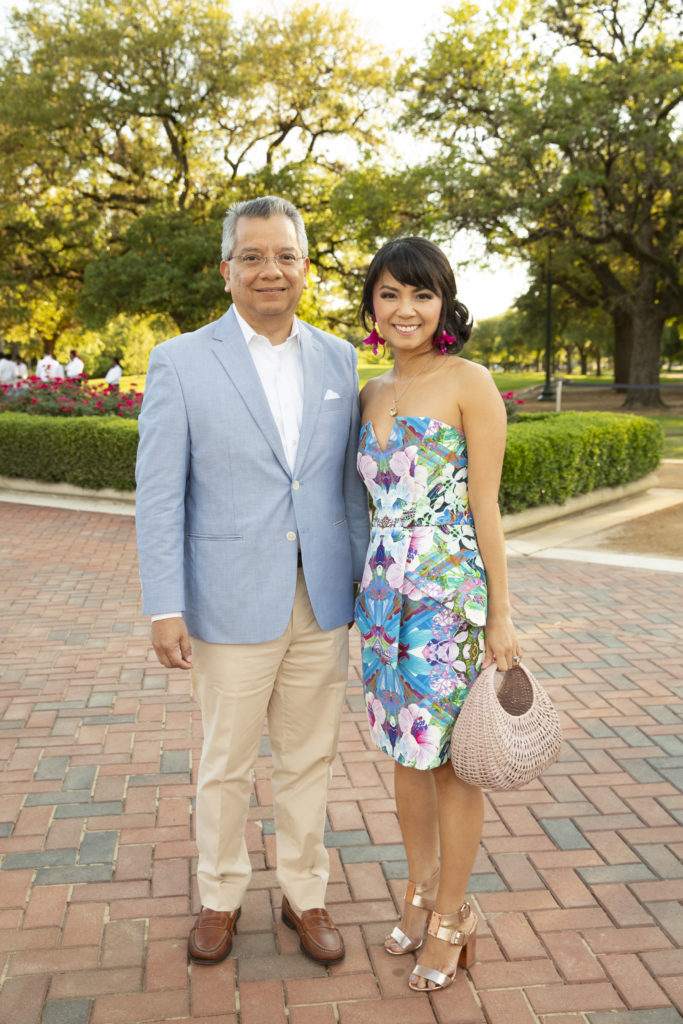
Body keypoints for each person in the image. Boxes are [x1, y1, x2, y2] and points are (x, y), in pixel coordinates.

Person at [135, 195, 369, 968]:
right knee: (225, 760)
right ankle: (219, 896)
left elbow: (345, 487)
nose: (270, 270)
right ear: (227, 268)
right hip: (228, 598)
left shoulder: (339, 358)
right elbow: (161, 492)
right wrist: (164, 604)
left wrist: (365, 588)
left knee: (308, 758)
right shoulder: (179, 359)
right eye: (253, 256)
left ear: (305, 265)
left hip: (321, 598)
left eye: (285, 256)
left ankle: (305, 892)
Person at [354, 236, 521, 992]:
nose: (405, 309)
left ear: (442, 304)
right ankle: (419, 889)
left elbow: (486, 505)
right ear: (371, 308)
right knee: (403, 753)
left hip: (446, 597)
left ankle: (454, 915)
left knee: (452, 763)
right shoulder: (369, 393)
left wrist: (501, 616)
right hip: (381, 598)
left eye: (420, 294)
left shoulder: (468, 381)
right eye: (389, 294)